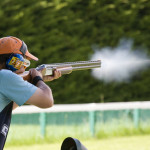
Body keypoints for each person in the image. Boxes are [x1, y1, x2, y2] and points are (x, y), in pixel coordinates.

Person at [0, 36, 61, 149]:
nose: (25, 65)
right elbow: (47, 101)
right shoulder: (5, 76)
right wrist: (38, 79)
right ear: (14, 60)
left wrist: (34, 83)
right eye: (24, 61)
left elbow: (8, 105)